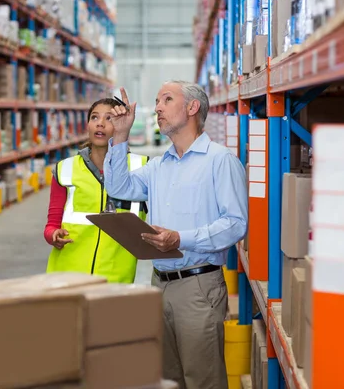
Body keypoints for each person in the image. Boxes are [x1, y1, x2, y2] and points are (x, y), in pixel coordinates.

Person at [104, 83, 248, 389]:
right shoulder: (159, 166)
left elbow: (236, 224)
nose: (157, 107)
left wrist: (180, 239)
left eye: (167, 100)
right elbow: (118, 189)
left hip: (199, 287)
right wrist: (119, 136)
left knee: (203, 379)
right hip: (160, 283)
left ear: (193, 108)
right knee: (168, 379)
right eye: (156, 101)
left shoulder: (219, 161)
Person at [44, 98, 149, 283]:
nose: (100, 123)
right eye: (94, 117)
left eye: (109, 118)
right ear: (87, 125)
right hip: (68, 275)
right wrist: (53, 235)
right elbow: (52, 223)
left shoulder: (141, 168)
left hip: (115, 277)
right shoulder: (65, 169)